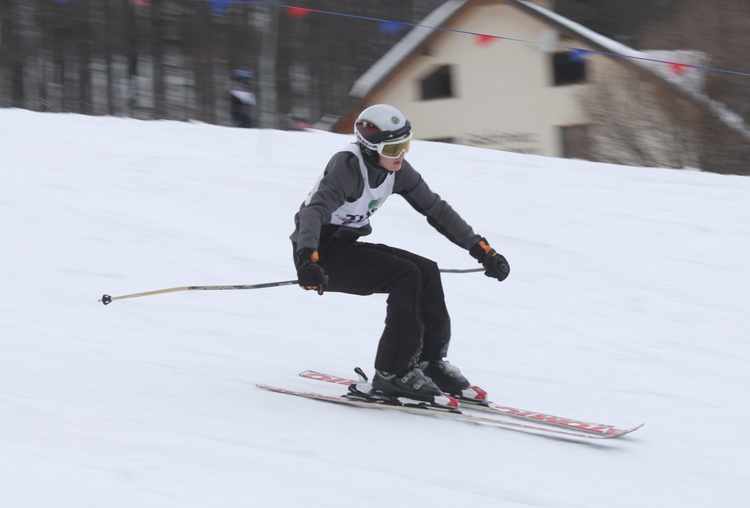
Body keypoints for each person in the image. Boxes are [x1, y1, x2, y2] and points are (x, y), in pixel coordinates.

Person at [290, 104, 509, 405]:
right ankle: (392, 374)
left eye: (405, 145)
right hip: (320, 255)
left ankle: (428, 362)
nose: (401, 155)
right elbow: (314, 212)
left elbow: (435, 209)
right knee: (405, 275)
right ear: (369, 147)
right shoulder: (349, 168)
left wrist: (481, 249)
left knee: (426, 270)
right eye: (393, 148)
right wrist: (306, 258)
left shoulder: (397, 171)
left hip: (347, 247)